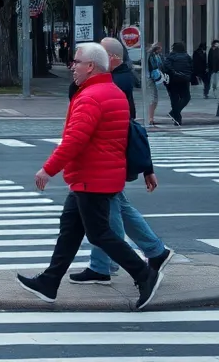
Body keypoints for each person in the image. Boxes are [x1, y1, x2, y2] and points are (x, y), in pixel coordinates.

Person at [17, 42, 161, 310]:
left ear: (91, 66)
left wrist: (47, 169)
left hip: (92, 177)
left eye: (77, 62)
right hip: (98, 175)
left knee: (99, 234)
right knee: (70, 231)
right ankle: (49, 282)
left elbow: (74, 140)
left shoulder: (91, 97)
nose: (73, 67)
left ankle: (145, 274)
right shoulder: (113, 92)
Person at [69, 38, 176, 285]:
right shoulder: (116, 79)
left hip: (105, 160)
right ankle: (152, 252)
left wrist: (146, 167)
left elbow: (129, 129)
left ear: (113, 59)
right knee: (117, 208)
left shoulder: (115, 82)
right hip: (108, 158)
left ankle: (107, 265)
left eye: (99, 56)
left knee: (108, 214)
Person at [163, 42, 193, 126]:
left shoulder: (170, 57)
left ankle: (177, 118)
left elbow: (166, 67)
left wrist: (173, 73)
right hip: (184, 80)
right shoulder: (187, 57)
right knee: (186, 97)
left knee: (174, 99)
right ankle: (174, 113)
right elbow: (191, 67)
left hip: (173, 80)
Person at [145, 42, 164, 128]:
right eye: (160, 48)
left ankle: (151, 117)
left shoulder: (157, 56)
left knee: (155, 98)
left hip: (155, 77)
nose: (161, 50)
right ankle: (150, 118)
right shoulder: (151, 56)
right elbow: (153, 66)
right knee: (153, 98)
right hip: (151, 78)